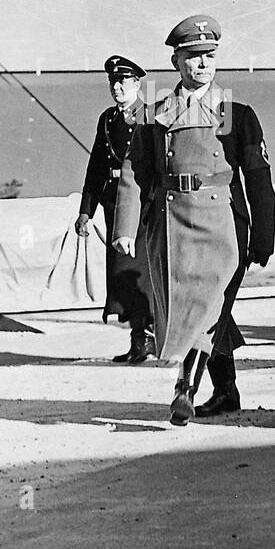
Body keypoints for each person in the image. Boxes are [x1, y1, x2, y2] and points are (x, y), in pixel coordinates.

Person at [113, 16, 275, 425]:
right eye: (192, 56)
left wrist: (265, 234)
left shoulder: (236, 111)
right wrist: (124, 229)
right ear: (176, 60)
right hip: (172, 223)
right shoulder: (153, 113)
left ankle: (184, 388)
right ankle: (226, 390)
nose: (202, 64)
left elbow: (258, 176)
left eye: (209, 56)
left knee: (205, 304)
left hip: (224, 223)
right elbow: (135, 172)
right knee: (197, 306)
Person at [76, 56, 156, 364]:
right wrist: (86, 210)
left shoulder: (149, 118)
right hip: (113, 203)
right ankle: (139, 339)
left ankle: (150, 337)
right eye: (113, 82)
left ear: (138, 84)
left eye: (124, 82)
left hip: (142, 208)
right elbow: (96, 166)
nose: (117, 87)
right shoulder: (108, 119)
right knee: (121, 276)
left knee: (141, 274)